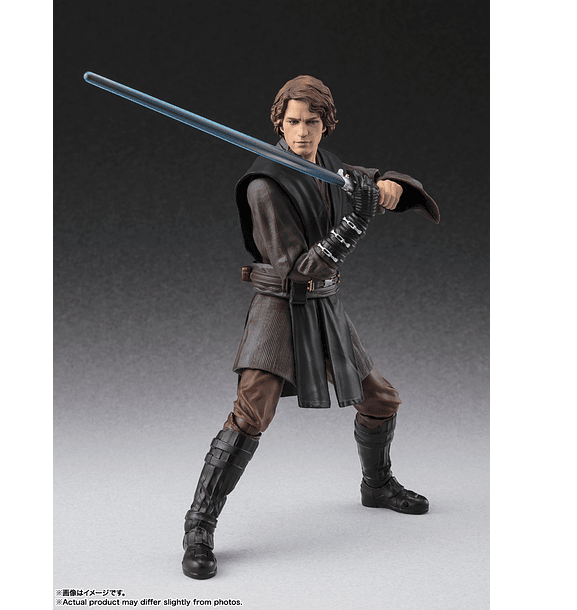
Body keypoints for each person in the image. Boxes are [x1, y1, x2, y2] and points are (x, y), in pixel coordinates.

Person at [181, 75, 440, 580]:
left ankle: (377, 485)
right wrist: (355, 223)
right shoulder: (264, 184)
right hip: (280, 305)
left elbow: (372, 179)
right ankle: (199, 525)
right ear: (278, 123)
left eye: (312, 122)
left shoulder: (330, 167)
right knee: (250, 415)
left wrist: (390, 186)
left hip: (323, 307)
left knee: (380, 399)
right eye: (293, 121)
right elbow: (297, 267)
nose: (302, 132)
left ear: (326, 124)